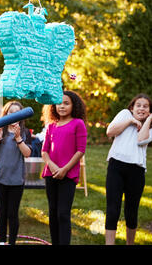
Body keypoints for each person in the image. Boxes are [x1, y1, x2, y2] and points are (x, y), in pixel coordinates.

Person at [104, 93, 152, 245]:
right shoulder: (124, 114)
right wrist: (130, 121)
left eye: (145, 106)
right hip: (116, 167)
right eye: (138, 105)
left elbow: (141, 140)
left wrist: (147, 120)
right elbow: (110, 131)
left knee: (131, 212)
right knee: (113, 209)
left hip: (136, 171)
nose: (141, 108)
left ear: (150, 110)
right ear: (132, 108)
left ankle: (130, 243)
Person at [41, 90, 87, 245]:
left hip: (68, 174)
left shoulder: (78, 124)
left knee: (63, 214)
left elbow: (80, 150)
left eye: (66, 103)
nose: (62, 106)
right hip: (51, 174)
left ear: (74, 106)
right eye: (59, 103)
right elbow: (44, 151)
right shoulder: (51, 126)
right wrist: (53, 167)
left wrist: (64, 169)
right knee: (53, 213)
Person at [0, 101, 32, 245]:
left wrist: (19, 138)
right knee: (2, 212)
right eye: (10, 112)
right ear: (5, 114)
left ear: (21, 116)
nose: (13, 115)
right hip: (1, 177)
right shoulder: (1, 130)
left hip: (16, 179)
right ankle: (2, 241)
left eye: (17, 112)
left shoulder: (25, 132)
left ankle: (12, 241)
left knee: (12, 213)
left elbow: (27, 153)